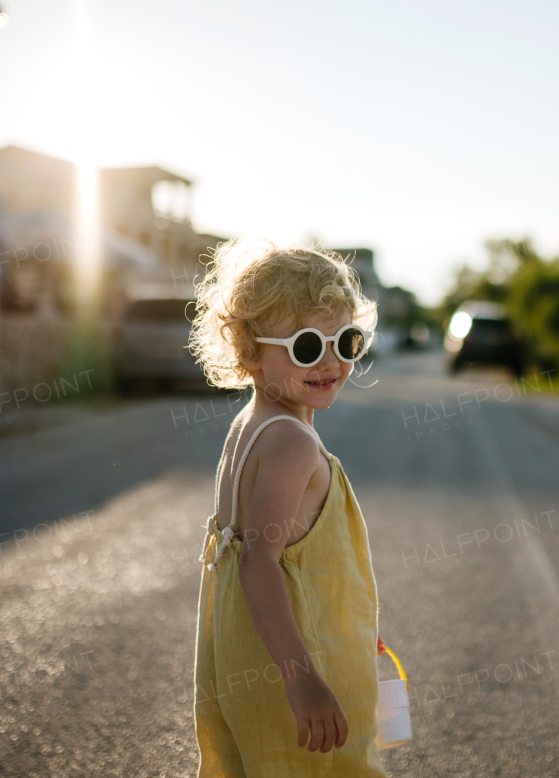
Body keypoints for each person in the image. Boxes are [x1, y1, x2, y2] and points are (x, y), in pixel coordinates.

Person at [188, 239, 389, 777]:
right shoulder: (293, 444)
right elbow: (259, 564)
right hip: (290, 673)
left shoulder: (249, 429)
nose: (330, 362)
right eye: (305, 348)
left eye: (345, 341)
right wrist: (301, 678)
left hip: (248, 659)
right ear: (248, 352)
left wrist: (348, 620)